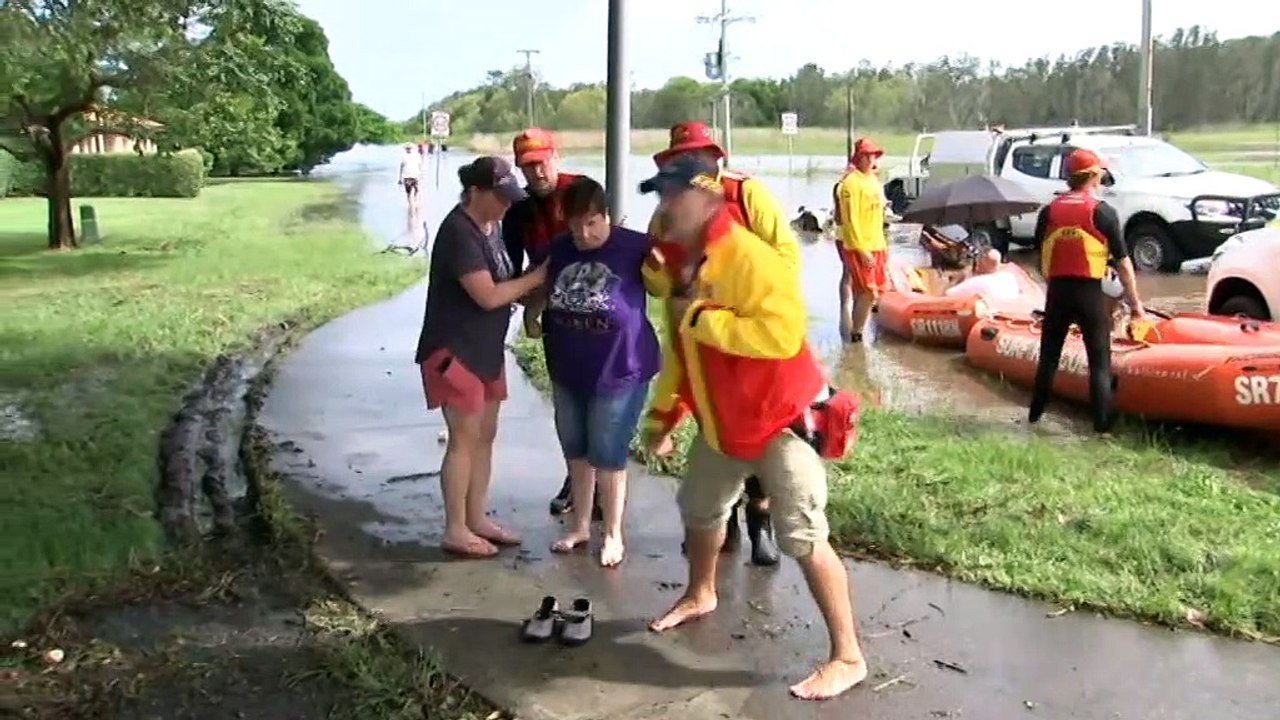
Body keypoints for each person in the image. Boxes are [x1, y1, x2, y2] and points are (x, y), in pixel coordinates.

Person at [639, 157, 868, 701]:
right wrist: (663, 414)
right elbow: (681, 353)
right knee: (698, 508)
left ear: (707, 196)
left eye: (672, 195)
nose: (663, 206)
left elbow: (782, 334)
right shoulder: (684, 265)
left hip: (779, 421)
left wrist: (702, 318)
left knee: (803, 534)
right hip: (723, 424)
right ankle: (701, 593)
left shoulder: (749, 257)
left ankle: (848, 656)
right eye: (659, 195)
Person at [643, 120, 798, 567]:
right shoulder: (666, 211)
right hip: (697, 339)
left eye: (701, 156)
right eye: (682, 158)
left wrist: (733, 289)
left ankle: (760, 524)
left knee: (759, 429)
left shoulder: (749, 195)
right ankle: (720, 527)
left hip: (746, 334)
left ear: (716, 158)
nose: (694, 165)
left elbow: (786, 258)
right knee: (710, 430)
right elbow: (656, 279)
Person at [414, 156, 545, 558]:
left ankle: (476, 518)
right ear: (475, 192)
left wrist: (530, 294)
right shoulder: (459, 232)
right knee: (464, 440)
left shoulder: (491, 227)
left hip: (485, 351)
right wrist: (540, 276)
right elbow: (487, 295)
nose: (507, 205)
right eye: (500, 197)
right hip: (453, 351)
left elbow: (504, 283)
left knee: (485, 438)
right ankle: (455, 528)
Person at [541, 177, 660, 567]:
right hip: (567, 366)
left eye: (591, 223)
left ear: (605, 214)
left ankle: (612, 534)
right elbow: (537, 286)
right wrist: (527, 312)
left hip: (621, 369)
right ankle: (578, 526)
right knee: (575, 448)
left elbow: (671, 281)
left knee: (608, 453)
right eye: (574, 226)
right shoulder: (559, 249)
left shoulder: (634, 245)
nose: (583, 233)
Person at [501, 128, 595, 520]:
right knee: (568, 403)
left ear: (556, 156)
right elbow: (512, 267)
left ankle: (601, 487)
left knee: (601, 401)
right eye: (527, 166)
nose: (536, 172)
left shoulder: (584, 192)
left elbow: (597, 250)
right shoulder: (519, 211)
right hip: (556, 318)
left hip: (596, 315)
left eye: (541, 162)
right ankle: (576, 478)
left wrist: (535, 294)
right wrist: (522, 301)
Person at [1029, 148, 1146, 434]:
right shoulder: (1103, 212)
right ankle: (1101, 427)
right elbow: (1124, 264)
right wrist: (1136, 306)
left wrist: (1053, 283)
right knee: (1099, 363)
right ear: (1094, 175)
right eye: (1101, 172)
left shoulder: (1049, 211)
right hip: (1089, 294)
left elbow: (1040, 257)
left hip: (1057, 293)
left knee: (1048, 359)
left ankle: (1033, 419)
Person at [834, 138, 890, 343]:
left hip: (877, 243)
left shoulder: (873, 181)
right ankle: (855, 334)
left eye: (873, 155)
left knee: (870, 292)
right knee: (869, 291)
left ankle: (858, 330)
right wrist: (861, 249)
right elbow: (851, 220)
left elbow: (878, 213)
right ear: (858, 157)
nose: (870, 159)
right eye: (865, 155)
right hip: (860, 245)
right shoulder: (850, 183)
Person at [944, 249, 1020, 300]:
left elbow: (947, 295)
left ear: (978, 263)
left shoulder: (976, 282)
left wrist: (954, 281)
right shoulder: (1009, 277)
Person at [398, 144, 423, 208]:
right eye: (407, 148)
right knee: (408, 192)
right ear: (405, 149)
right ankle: (409, 204)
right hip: (407, 176)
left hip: (415, 176)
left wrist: (420, 176)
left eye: (409, 148)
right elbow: (401, 167)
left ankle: (415, 202)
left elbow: (420, 166)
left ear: (412, 149)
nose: (408, 149)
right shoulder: (403, 157)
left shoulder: (417, 156)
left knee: (417, 190)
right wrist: (400, 178)